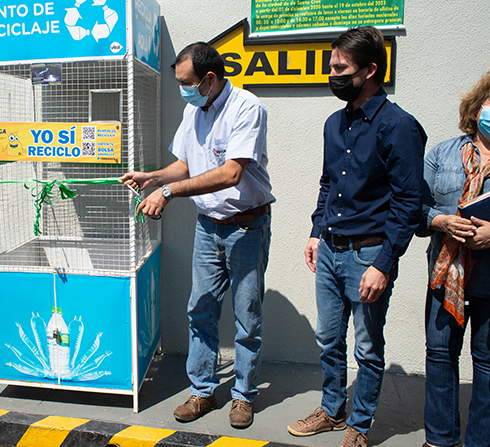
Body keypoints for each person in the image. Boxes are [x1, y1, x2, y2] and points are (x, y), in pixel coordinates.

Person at [120, 42, 273, 429]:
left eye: (187, 84)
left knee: (247, 316)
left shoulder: (247, 108)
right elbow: (186, 164)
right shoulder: (194, 110)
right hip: (208, 228)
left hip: (246, 227)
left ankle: (243, 396)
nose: (183, 92)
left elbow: (230, 173)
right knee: (199, 309)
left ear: (209, 78)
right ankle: (203, 391)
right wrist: (153, 177)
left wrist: (168, 192)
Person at [287, 26, 426, 447]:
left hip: (369, 256)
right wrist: (315, 231)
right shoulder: (334, 124)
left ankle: (358, 426)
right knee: (328, 338)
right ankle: (331, 410)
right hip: (329, 250)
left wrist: (385, 263)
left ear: (370, 70)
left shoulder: (399, 126)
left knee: (367, 347)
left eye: (340, 68)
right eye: (332, 67)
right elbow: (328, 183)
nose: (333, 75)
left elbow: (408, 203)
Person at [416, 70, 490, 447]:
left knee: (488, 362)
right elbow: (416, 208)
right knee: (440, 355)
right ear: (477, 107)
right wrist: (441, 220)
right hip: (446, 277)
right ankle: (440, 439)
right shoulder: (442, 153)